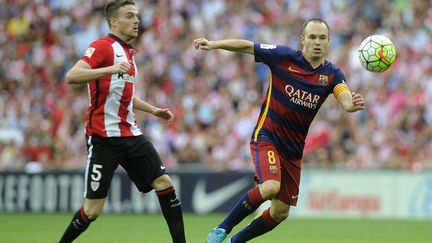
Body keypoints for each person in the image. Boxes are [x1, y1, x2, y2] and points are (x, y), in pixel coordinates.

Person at [194, 18, 366, 243]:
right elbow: (248, 46)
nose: (317, 42)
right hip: (268, 136)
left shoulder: (332, 74)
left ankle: (237, 241)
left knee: (280, 212)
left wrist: (352, 104)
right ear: (302, 40)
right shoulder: (283, 57)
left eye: (322, 38)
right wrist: (214, 44)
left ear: (328, 42)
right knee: (270, 186)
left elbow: (345, 99)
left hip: (293, 151)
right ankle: (221, 229)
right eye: (312, 37)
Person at [59, 1, 186, 242]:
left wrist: (154, 110)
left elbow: (124, 95)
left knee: (164, 183)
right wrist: (109, 69)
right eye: (130, 16)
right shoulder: (103, 47)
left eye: (137, 16)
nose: (137, 20)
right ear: (114, 22)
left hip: (131, 134)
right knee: (92, 210)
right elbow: (72, 75)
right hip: (103, 138)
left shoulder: (128, 52)